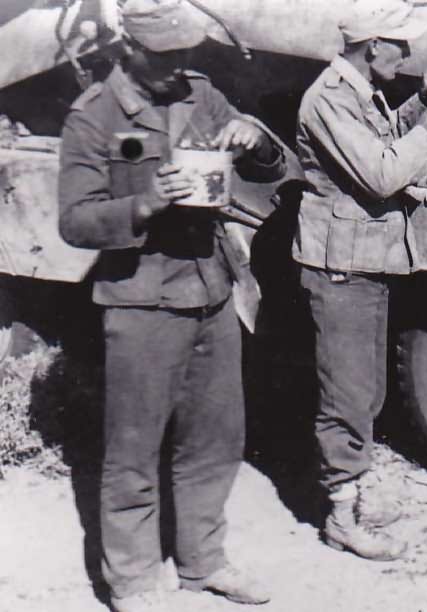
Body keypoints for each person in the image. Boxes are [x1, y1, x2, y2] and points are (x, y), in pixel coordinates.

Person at [57, 1, 286, 610]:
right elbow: (75, 222)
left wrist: (254, 137)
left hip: (210, 289)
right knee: (134, 448)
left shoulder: (199, 93)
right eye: (165, 54)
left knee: (215, 440)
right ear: (126, 47)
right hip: (140, 300)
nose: (179, 64)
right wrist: (145, 201)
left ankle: (202, 561)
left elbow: (273, 163)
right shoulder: (94, 116)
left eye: (186, 52)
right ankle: (131, 580)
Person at [294, 0, 427, 561]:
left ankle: (354, 491)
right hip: (342, 264)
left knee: (366, 387)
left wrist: (423, 105)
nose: (407, 53)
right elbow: (382, 173)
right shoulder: (327, 100)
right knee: (346, 391)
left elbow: (382, 142)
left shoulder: (359, 93)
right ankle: (341, 514)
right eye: (401, 44)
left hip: (365, 260)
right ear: (373, 47)